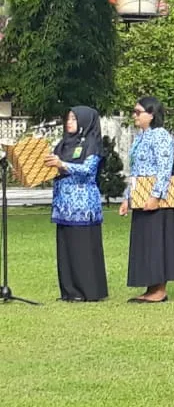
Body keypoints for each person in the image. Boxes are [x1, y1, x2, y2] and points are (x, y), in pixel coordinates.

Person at [44, 106, 108, 302]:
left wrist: (62, 164)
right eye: (68, 118)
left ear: (84, 121)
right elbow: (52, 168)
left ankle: (88, 291)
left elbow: (88, 170)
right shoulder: (63, 144)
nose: (69, 122)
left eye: (74, 118)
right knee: (66, 250)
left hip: (82, 205)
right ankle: (70, 291)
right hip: (63, 205)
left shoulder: (91, 143)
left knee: (82, 249)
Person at [120, 96, 174, 303]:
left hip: (157, 199)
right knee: (144, 241)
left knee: (157, 241)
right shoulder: (140, 138)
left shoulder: (160, 136)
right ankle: (150, 287)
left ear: (152, 114)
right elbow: (135, 171)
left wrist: (156, 195)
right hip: (140, 195)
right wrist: (127, 198)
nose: (134, 116)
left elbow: (164, 168)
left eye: (138, 112)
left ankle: (159, 290)